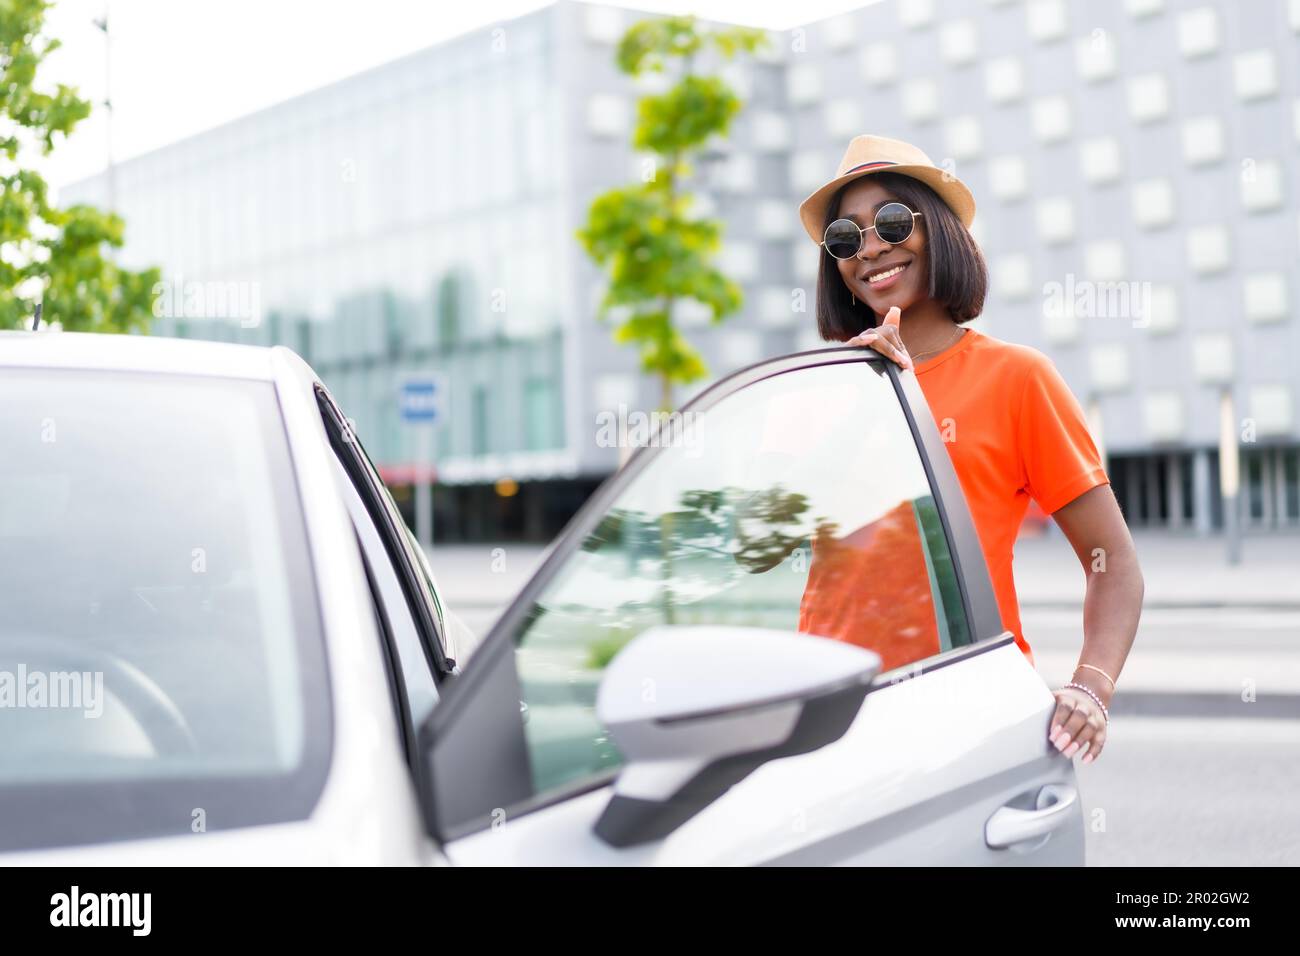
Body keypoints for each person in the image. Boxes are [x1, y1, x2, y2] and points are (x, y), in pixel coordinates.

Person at [795, 134, 1144, 765]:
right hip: (826, 728)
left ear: (941, 232)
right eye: (847, 237)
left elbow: (1111, 560)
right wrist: (850, 409)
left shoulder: (1017, 378)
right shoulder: (824, 389)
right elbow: (756, 549)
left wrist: (1091, 687)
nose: (870, 247)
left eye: (892, 223)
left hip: (967, 719)